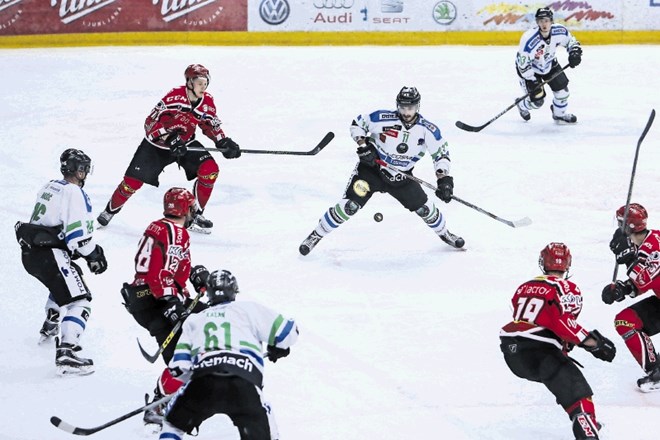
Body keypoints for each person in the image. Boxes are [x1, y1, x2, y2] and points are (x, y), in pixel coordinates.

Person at [298, 86, 464, 256]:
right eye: (403, 107)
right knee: (350, 206)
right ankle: (316, 234)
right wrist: (364, 147)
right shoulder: (382, 118)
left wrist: (443, 180)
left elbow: (441, 154)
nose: (407, 112)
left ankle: (445, 234)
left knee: (425, 210)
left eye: (411, 108)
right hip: (371, 172)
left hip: (401, 177)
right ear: (397, 105)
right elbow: (357, 125)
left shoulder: (428, 129)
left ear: (418, 106)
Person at [97, 64, 242, 234]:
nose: (203, 86)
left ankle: (195, 215)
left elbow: (209, 124)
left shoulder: (207, 102)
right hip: (156, 146)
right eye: (199, 82)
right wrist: (170, 138)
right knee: (131, 183)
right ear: (189, 82)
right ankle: (109, 211)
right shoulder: (173, 98)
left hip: (185, 143)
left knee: (210, 170)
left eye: (206, 83)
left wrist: (223, 141)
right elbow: (150, 123)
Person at [158, 266, 298, 440]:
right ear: (234, 290)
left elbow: (178, 369)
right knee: (265, 422)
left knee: (173, 425)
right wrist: (278, 347)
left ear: (208, 293)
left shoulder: (195, 319)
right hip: (244, 384)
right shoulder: (248, 309)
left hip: (204, 382)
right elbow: (288, 333)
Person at [500, 242, 616, 440]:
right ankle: (586, 426)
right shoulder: (567, 287)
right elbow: (563, 323)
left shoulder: (524, 287)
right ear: (567, 264)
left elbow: (527, 315)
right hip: (541, 350)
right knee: (579, 397)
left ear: (543, 262)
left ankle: (588, 422)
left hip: (512, 352)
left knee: (561, 380)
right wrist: (595, 343)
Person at [119, 187, 207, 426]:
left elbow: (170, 266)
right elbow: (161, 271)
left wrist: (196, 277)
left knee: (203, 323)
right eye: (191, 208)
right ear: (185, 208)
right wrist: (169, 300)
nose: (193, 213)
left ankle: (170, 397)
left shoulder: (157, 226)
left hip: (144, 298)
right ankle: (161, 404)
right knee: (185, 354)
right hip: (156, 300)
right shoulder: (176, 233)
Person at [15, 148, 107, 376]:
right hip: (49, 255)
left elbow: (50, 224)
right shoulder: (74, 193)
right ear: (80, 170)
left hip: (30, 254)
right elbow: (79, 238)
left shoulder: (49, 186)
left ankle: (51, 322)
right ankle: (66, 352)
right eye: (84, 169)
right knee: (81, 300)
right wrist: (94, 255)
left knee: (67, 277)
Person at [602, 203, 660, 392]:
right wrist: (623, 289)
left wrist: (627, 258)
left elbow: (644, 278)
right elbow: (645, 282)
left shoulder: (656, 245)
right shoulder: (640, 246)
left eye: (620, 223)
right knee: (625, 321)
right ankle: (656, 371)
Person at [515, 7, 583, 123]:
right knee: (537, 102)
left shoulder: (559, 31)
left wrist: (574, 52)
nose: (544, 24)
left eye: (546, 20)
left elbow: (571, 41)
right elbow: (523, 64)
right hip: (530, 71)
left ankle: (559, 114)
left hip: (549, 64)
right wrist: (532, 80)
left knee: (563, 93)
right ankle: (521, 104)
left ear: (551, 21)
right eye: (541, 21)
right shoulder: (529, 39)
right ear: (537, 22)